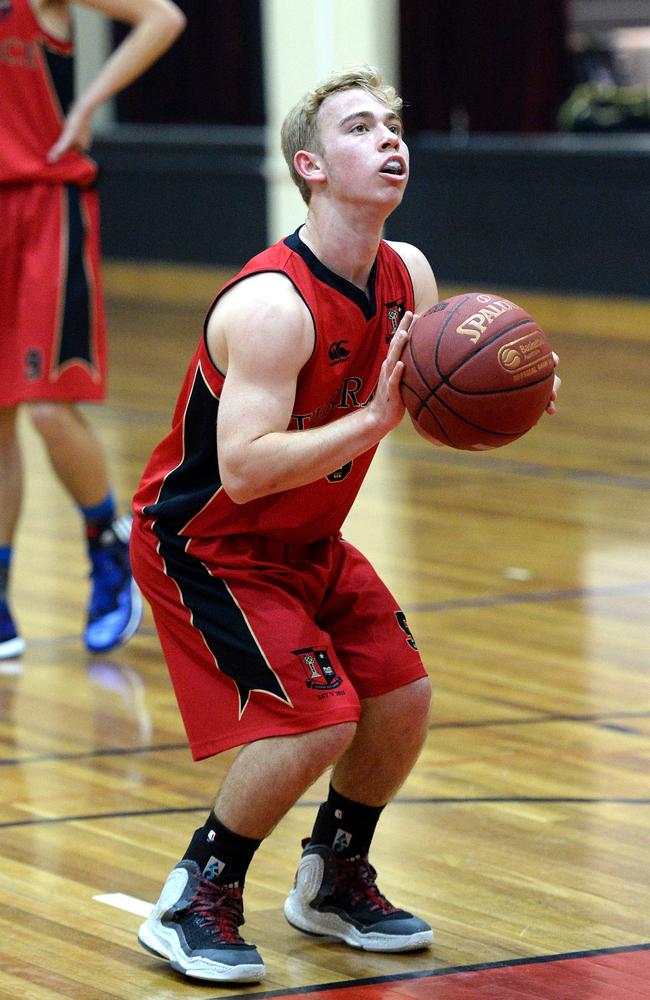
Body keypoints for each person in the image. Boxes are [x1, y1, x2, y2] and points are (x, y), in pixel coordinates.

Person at [131, 66, 560, 985]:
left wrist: (516, 396)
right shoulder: (271, 305)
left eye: (395, 124)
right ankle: (195, 892)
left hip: (308, 540)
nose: (391, 138)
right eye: (362, 128)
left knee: (400, 697)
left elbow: (436, 394)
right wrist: (369, 424)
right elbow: (242, 470)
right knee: (313, 720)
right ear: (311, 166)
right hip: (206, 544)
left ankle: (332, 879)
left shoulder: (410, 274)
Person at [0, 0, 185, 659]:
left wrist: (86, 109)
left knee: (48, 406)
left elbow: (162, 17)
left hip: (45, 203)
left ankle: (109, 548)